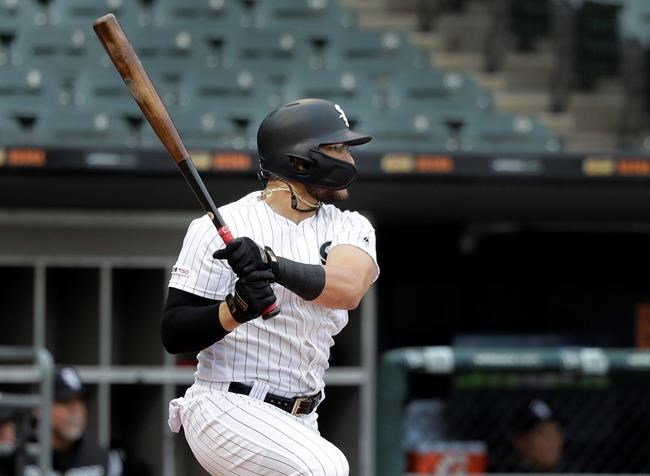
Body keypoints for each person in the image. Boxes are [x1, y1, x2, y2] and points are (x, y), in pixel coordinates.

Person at [162, 98, 379, 475]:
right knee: (325, 469)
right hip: (225, 405)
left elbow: (348, 287)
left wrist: (271, 265)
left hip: (301, 418)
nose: (350, 160)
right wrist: (235, 310)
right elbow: (174, 333)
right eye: (339, 148)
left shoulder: (349, 225)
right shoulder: (219, 226)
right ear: (300, 160)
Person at [21, 366, 123, 476]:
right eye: (65, 401)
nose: (76, 410)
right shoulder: (19, 453)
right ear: (40, 408)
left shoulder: (101, 456)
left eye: (80, 401)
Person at [498, 398, 566, 473]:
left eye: (555, 432)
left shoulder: (573, 470)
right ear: (519, 440)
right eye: (541, 433)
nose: (551, 440)